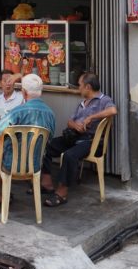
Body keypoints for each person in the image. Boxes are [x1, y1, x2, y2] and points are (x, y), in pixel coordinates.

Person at [0, 74, 56, 205]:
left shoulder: (18, 111)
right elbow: (50, 139)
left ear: (24, 93)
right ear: (40, 92)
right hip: (36, 163)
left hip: (11, 162)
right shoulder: (50, 114)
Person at [41, 72, 117, 207]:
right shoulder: (82, 103)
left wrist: (91, 117)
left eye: (80, 85)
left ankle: (61, 193)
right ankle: (46, 183)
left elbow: (112, 111)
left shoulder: (104, 100)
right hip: (75, 136)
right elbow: (70, 121)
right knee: (47, 146)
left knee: (69, 156)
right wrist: (75, 125)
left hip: (91, 141)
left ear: (88, 87)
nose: (78, 88)